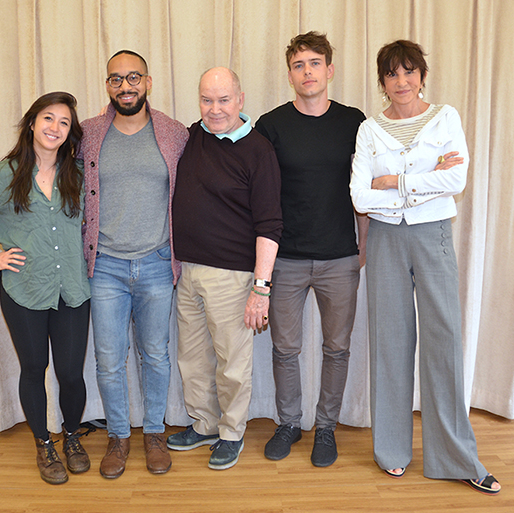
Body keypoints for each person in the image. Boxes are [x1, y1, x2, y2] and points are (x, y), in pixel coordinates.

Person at [350, 40, 501, 495]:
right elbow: (360, 196)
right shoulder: (369, 129)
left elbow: (456, 178)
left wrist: (393, 182)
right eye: (392, 74)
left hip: (433, 235)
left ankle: (456, 457)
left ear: (422, 75)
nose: (401, 82)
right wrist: (424, 181)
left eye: (409, 72)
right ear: (382, 82)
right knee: (389, 341)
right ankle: (391, 450)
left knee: (444, 340)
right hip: (385, 240)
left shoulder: (445, 117)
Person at [0, 92, 91, 485]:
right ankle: (43, 444)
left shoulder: (78, 174)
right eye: (48, 118)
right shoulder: (3, 174)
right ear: (32, 123)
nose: (55, 127)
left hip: (72, 289)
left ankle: (72, 437)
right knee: (34, 367)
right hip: (24, 289)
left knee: (71, 373)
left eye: (64, 122)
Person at [254, 31, 368, 467]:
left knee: (337, 349)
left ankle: (325, 428)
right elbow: (259, 192)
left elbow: (363, 188)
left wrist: (363, 245)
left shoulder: (354, 122)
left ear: (329, 69)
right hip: (286, 258)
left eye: (315, 63)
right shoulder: (271, 125)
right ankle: (288, 423)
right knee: (285, 349)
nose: (307, 72)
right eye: (299, 65)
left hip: (340, 256)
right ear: (290, 75)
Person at [78, 50, 189, 479]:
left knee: (155, 355)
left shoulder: (174, 133)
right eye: (116, 79)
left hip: (157, 262)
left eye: (133, 77)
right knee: (109, 359)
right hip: (105, 265)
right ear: (108, 85)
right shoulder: (88, 134)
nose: (125, 86)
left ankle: (155, 433)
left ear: (147, 82)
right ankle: (119, 436)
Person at [168, 67, 282, 470]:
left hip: (232, 277)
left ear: (240, 99)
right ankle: (204, 425)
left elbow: (270, 225)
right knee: (193, 359)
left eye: (223, 100)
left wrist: (261, 288)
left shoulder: (259, 150)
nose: (214, 109)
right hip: (188, 272)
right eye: (206, 100)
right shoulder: (191, 137)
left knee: (232, 363)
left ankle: (231, 433)